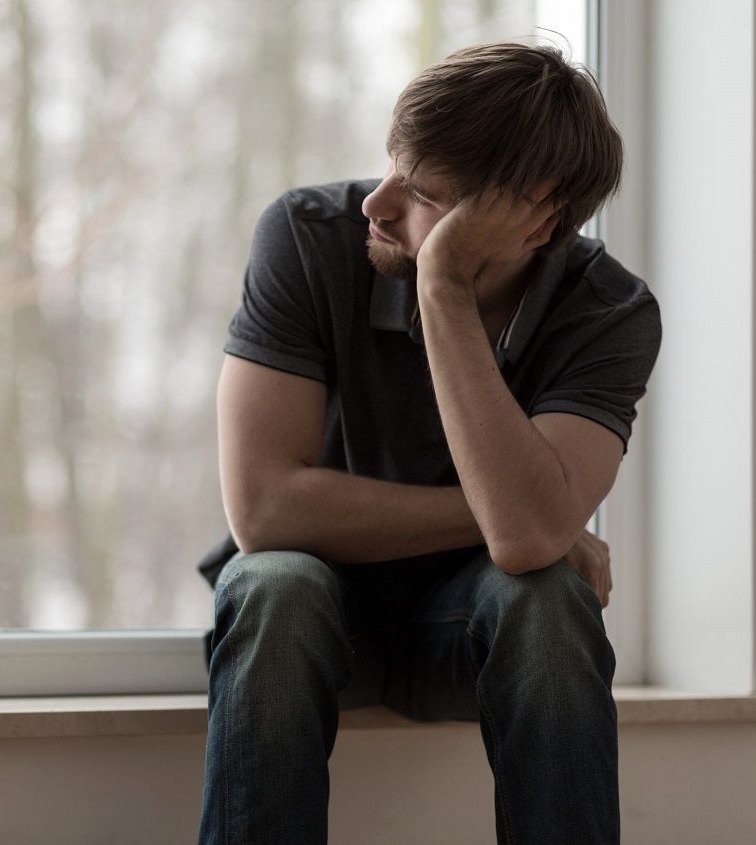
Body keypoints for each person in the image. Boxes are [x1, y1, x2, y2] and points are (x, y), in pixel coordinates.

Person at [195, 40, 662, 845]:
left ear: (533, 223)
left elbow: (525, 547)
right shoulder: (306, 236)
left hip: (474, 630)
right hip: (315, 619)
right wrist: (524, 517)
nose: (377, 204)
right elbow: (264, 510)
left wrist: (441, 285)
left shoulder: (609, 313)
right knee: (274, 584)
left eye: (421, 193)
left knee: (548, 596)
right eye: (391, 167)